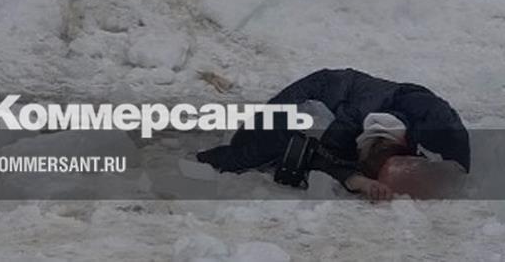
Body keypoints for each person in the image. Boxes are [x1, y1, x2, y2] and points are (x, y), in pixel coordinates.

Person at [196, 68, 470, 201]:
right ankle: (201, 160)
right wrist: (358, 180)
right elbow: (326, 156)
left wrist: (458, 168)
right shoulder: (354, 118)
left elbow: (454, 137)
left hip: (340, 97)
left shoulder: (426, 119)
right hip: (314, 93)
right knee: (262, 147)